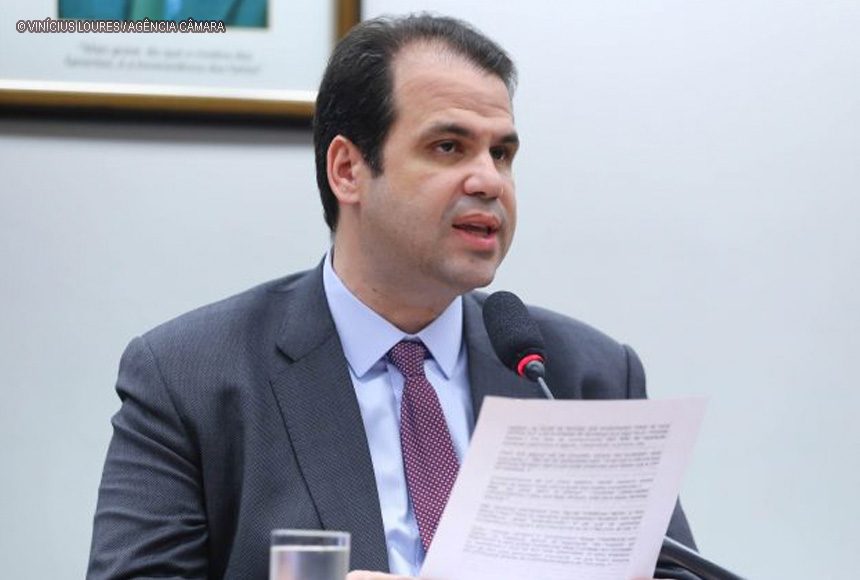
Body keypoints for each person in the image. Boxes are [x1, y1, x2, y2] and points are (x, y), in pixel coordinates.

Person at [87, 14, 700, 580]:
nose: (489, 181)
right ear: (348, 170)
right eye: (448, 147)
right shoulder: (191, 377)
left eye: (502, 153)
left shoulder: (579, 377)